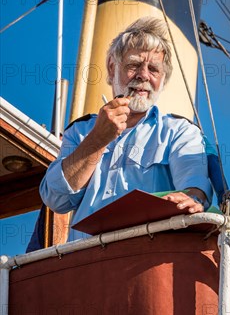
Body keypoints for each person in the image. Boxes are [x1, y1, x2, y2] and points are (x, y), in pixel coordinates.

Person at [40, 17, 212, 241]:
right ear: (112, 69)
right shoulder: (80, 132)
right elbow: (56, 199)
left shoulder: (180, 132)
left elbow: (193, 186)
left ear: (163, 79)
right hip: (85, 265)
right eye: (134, 65)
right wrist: (98, 140)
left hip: (145, 263)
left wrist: (191, 198)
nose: (143, 75)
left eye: (154, 69)